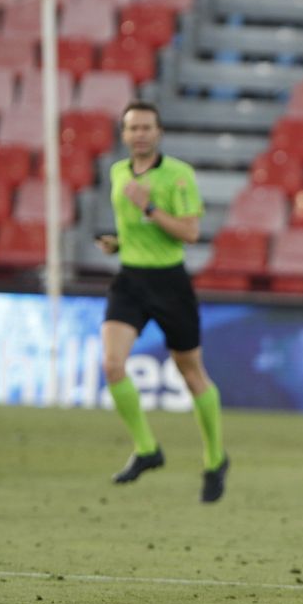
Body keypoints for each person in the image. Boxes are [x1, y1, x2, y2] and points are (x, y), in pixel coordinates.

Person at [95, 100, 229, 503]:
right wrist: (118, 243)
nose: (139, 134)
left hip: (170, 283)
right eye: (132, 128)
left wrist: (150, 207)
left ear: (159, 132)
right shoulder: (118, 172)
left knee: (192, 374)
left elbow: (190, 233)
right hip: (130, 280)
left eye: (146, 127)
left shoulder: (178, 175)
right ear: (124, 134)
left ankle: (215, 459)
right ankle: (147, 449)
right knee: (112, 364)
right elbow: (132, 228)